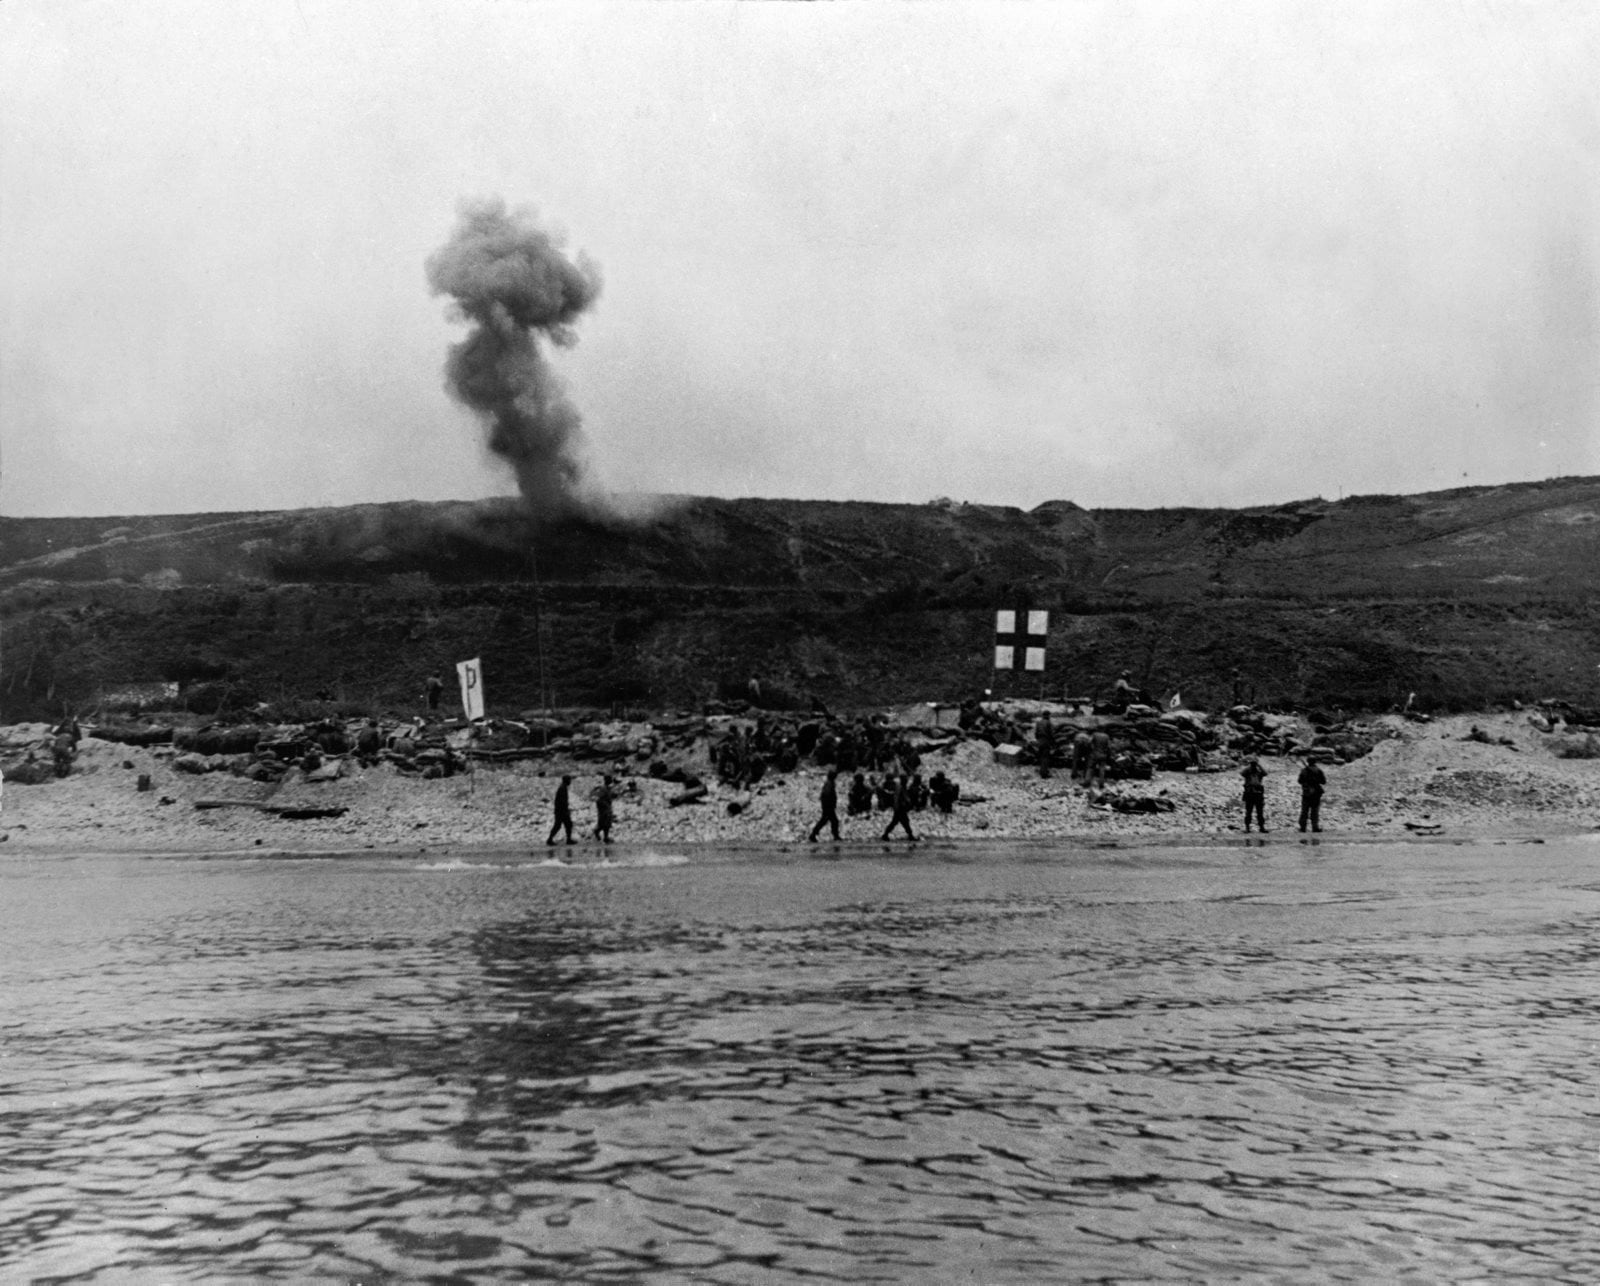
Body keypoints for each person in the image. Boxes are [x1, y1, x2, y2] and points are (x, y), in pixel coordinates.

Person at [880, 772, 917, 842]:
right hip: (900, 808)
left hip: (900, 808)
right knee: (904, 822)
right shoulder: (899, 787)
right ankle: (910, 836)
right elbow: (897, 798)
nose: (906, 780)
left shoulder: (901, 786)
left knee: (896, 822)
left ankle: (885, 835)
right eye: (905, 779)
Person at [808, 769, 842, 842]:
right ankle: (835, 836)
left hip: (828, 806)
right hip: (828, 806)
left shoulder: (830, 783)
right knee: (833, 821)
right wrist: (829, 804)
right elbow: (827, 795)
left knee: (826, 821)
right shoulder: (829, 784)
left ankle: (813, 834)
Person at [1297, 758, 1326, 833]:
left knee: (1304, 811)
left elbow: (1299, 781)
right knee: (1314, 811)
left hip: (1306, 793)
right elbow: (1323, 781)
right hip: (1316, 794)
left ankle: (1303, 828)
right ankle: (1315, 827)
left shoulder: (1304, 771)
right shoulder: (1318, 770)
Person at [546, 774, 575, 846]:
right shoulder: (562, 788)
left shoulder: (563, 787)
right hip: (561, 811)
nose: (570, 782)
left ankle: (567, 839)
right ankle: (550, 839)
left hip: (560, 811)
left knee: (565, 825)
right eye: (569, 780)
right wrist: (566, 810)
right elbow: (562, 801)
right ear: (566, 780)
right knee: (562, 825)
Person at [1242, 757, 1268, 832]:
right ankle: (1247, 827)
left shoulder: (1259, 773)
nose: (1253, 766)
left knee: (1260, 812)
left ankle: (1261, 827)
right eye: (1252, 764)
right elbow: (1242, 773)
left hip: (1258, 794)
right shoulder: (1247, 772)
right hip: (1249, 793)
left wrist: (1259, 765)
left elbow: (1265, 773)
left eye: (1254, 764)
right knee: (1248, 812)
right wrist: (1249, 766)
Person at [593, 775, 615, 843]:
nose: (611, 781)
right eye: (610, 779)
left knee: (607, 824)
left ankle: (606, 837)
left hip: (607, 809)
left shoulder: (608, 788)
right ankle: (596, 832)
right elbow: (598, 800)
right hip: (604, 810)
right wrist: (605, 806)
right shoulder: (603, 789)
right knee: (603, 823)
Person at [1034, 711, 1056, 779]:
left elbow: (1036, 733)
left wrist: (1038, 740)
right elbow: (1051, 734)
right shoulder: (1049, 723)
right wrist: (1053, 743)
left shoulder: (1038, 723)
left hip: (1039, 740)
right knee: (1045, 757)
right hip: (1046, 740)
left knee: (1041, 756)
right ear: (1048, 716)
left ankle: (1040, 770)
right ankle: (1044, 774)